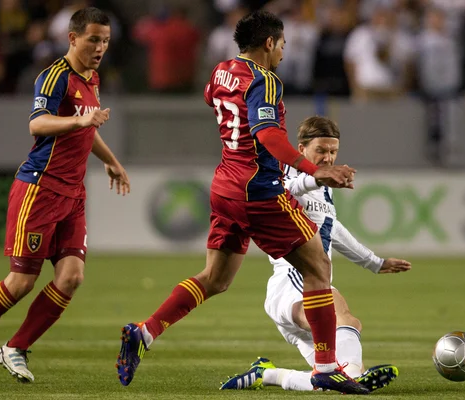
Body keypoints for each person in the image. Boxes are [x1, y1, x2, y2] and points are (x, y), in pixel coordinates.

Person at [116, 11, 369, 395]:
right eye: (282, 45)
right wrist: (312, 171)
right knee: (319, 266)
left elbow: (211, 99)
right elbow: (268, 134)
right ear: (269, 43)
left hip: (225, 185)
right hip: (258, 188)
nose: (283, 52)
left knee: (215, 278)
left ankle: (145, 332)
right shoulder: (266, 81)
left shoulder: (221, 71)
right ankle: (325, 368)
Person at [0, 7, 129, 384]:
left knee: (72, 276)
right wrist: (79, 121)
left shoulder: (92, 77)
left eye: (105, 41)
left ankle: (15, 347)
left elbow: (87, 128)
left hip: (73, 194)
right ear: (73, 38)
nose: (100, 47)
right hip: (39, 188)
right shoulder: (54, 76)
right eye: (93, 39)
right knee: (21, 281)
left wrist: (111, 160)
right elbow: (37, 123)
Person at [219, 116, 411, 392]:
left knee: (325, 382)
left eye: (333, 152)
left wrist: (375, 263)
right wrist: (315, 178)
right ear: (301, 149)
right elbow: (283, 191)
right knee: (346, 320)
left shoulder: (323, 189)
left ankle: (267, 374)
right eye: (321, 150)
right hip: (294, 280)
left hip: (304, 288)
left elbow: (333, 229)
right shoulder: (282, 173)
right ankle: (354, 376)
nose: (328, 158)